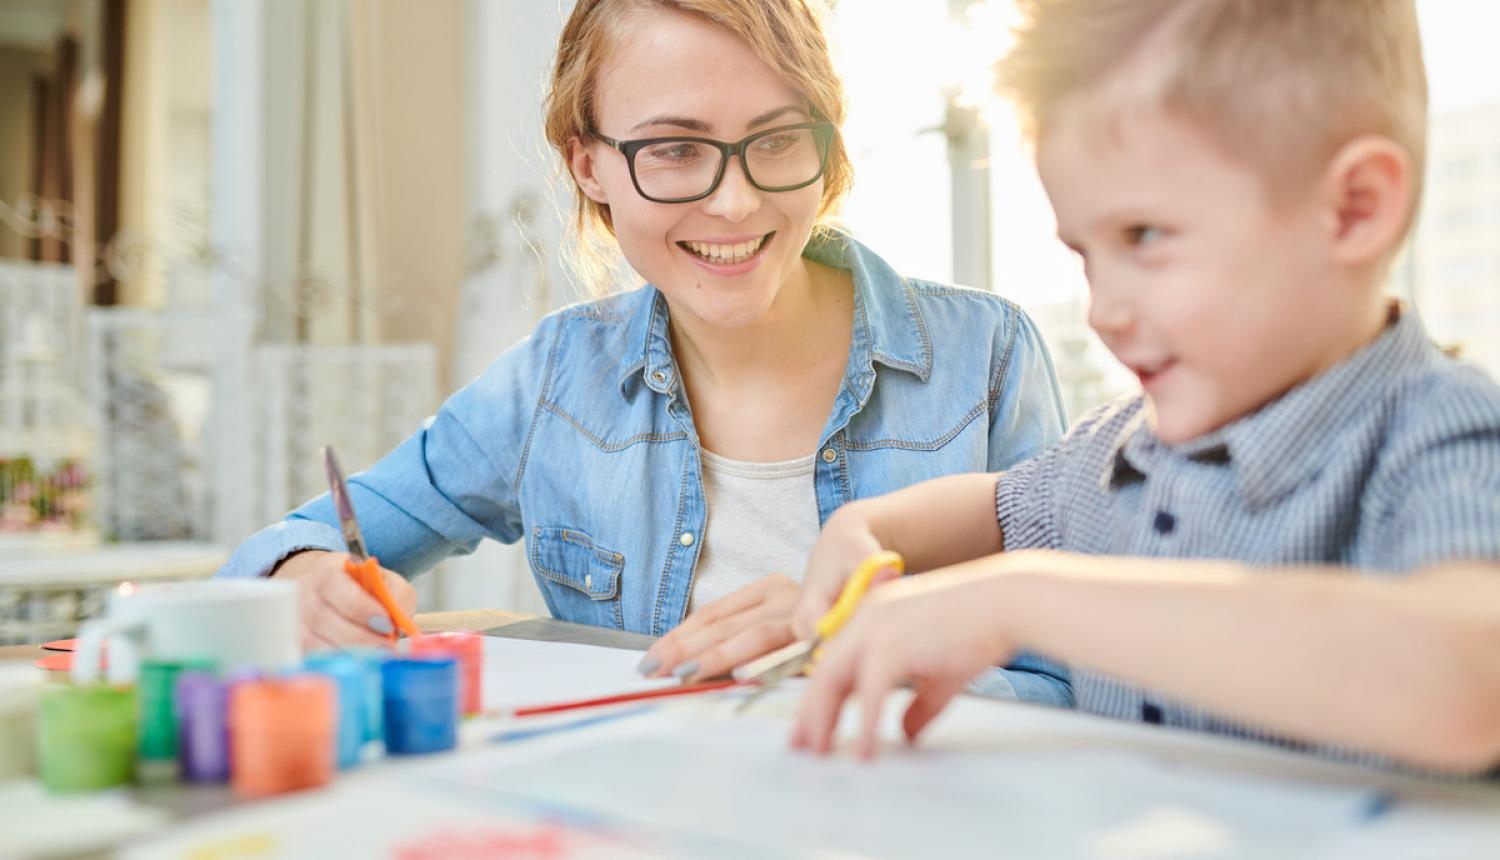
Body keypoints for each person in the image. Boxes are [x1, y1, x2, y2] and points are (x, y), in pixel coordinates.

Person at [217, 0, 1070, 704]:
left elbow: (1077, 682)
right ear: (587, 164)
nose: (735, 202)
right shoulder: (554, 381)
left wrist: (863, 650)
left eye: (776, 139)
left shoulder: (985, 357)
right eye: (674, 150)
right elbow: (298, 541)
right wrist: (303, 574)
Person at [787, 0, 1500, 776]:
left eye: (1146, 238)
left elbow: (1465, 682)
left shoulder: (1439, 428)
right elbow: (992, 507)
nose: (1104, 311)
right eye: (1087, 255)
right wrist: (863, 530)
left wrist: (1021, 599)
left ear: (1353, 208)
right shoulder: (1122, 445)